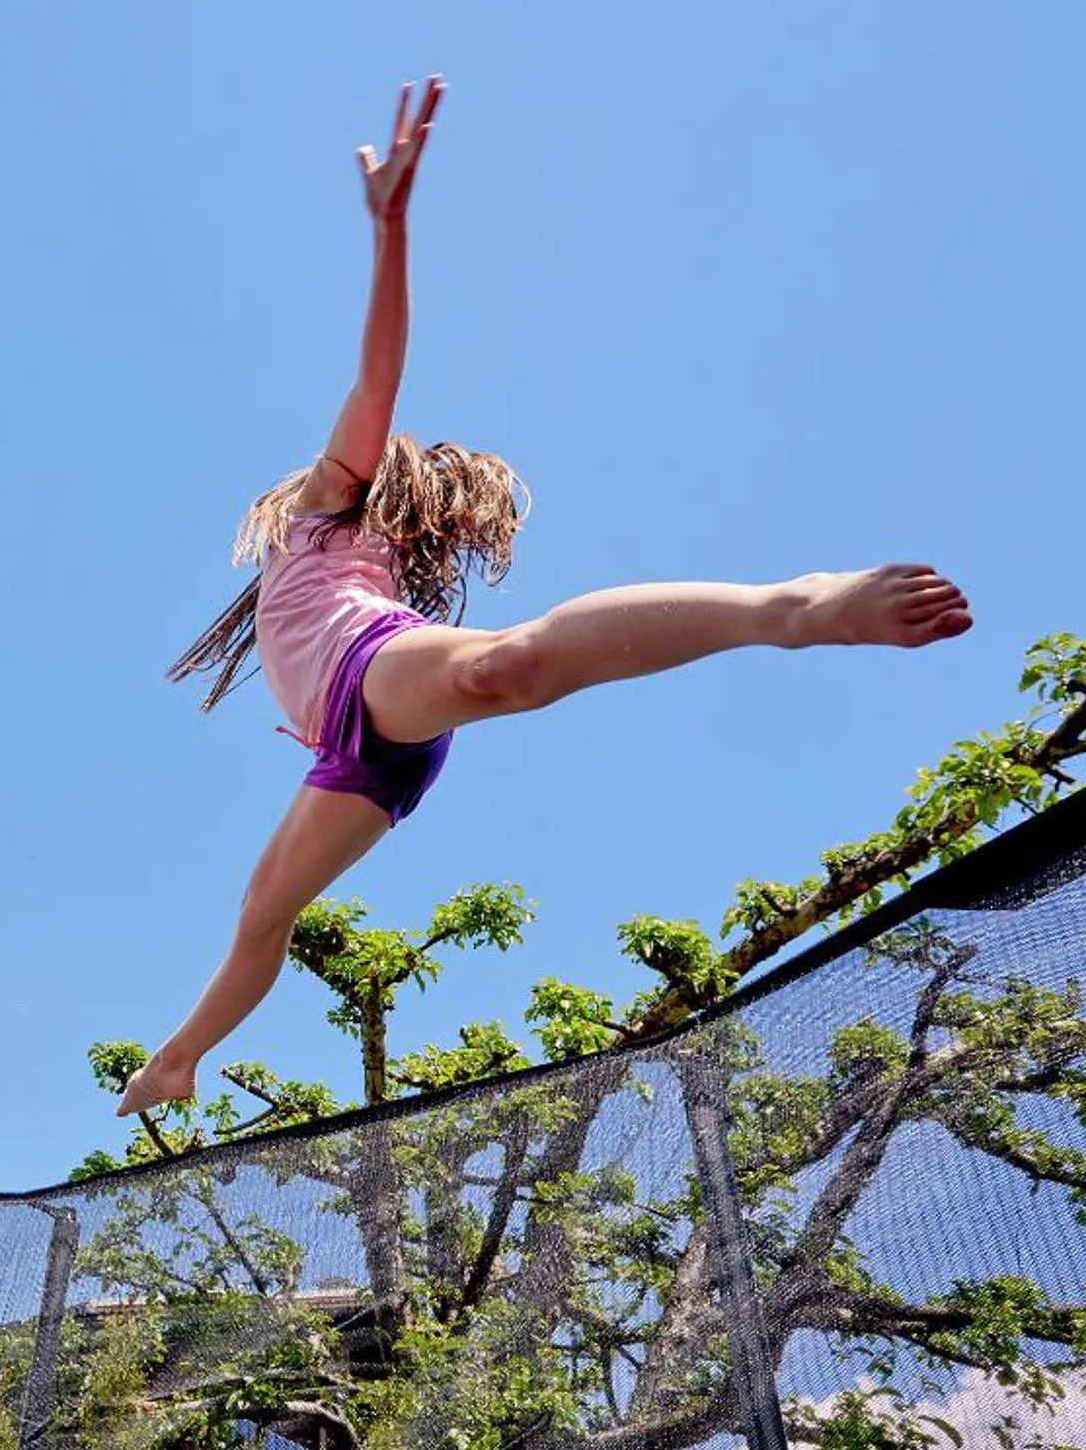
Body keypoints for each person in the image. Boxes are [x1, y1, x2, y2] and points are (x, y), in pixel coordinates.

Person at [116, 75, 971, 1118]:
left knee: (503, 666)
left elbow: (373, 384)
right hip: (356, 751)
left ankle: (793, 610)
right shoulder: (308, 543)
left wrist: (389, 235)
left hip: (378, 668)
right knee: (260, 916)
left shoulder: (328, 504)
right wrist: (181, 1056)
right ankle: (181, 1051)